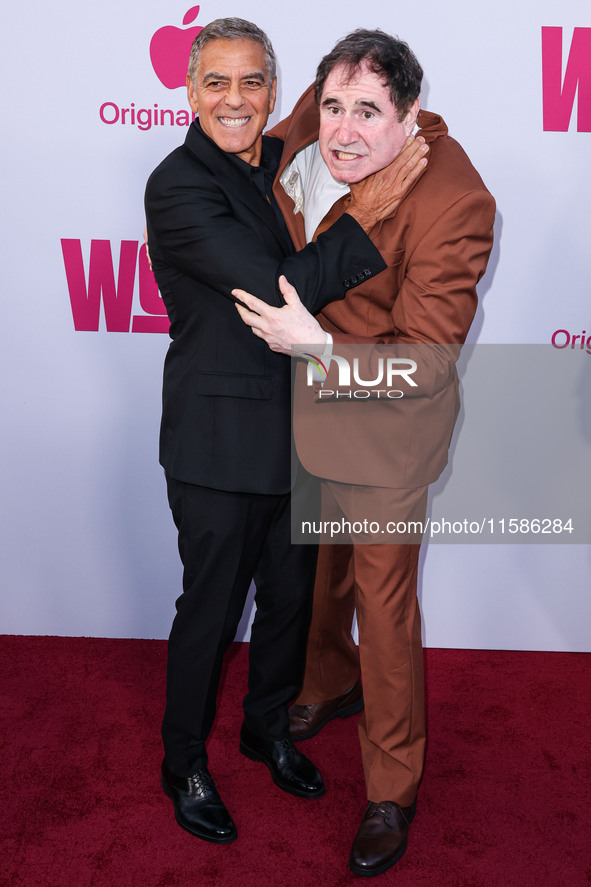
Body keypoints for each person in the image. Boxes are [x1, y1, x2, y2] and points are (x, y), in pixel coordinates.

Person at [144, 18, 426, 845]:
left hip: (304, 435)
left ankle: (263, 726)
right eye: (218, 83)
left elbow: (371, 122)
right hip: (217, 443)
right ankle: (182, 759)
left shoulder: (281, 160)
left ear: (274, 92)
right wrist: (365, 215)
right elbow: (277, 292)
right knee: (211, 609)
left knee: (290, 608)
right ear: (191, 91)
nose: (236, 100)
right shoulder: (178, 186)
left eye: (252, 83)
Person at [235, 29, 496, 876]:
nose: (343, 130)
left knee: (383, 606)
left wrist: (316, 346)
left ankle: (392, 785)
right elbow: (268, 132)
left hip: (386, 423)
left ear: (408, 114)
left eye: (370, 114)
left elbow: (424, 360)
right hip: (305, 406)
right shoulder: (323, 107)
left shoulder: (456, 202)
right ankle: (324, 683)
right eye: (336, 106)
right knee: (317, 569)